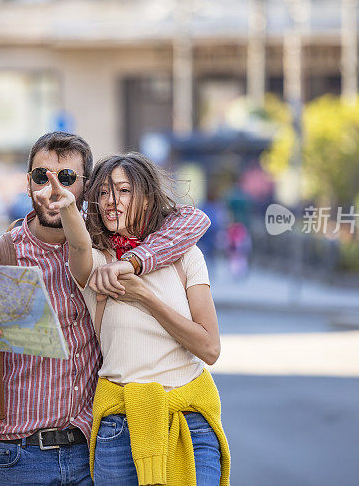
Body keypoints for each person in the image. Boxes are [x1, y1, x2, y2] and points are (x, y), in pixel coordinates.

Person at [0, 132, 211, 486]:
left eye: (67, 178)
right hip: (21, 457)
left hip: (92, 452)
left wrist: (132, 263)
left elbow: (191, 221)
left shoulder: (105, 250)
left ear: (85, 188)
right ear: (28, 184)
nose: (53, 189)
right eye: (42, 177)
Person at [41, 151, 230, 486]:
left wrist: (146, 297)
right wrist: (69, 205)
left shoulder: (186, 257)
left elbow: (210, 349)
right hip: (119, 426)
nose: (111, 201)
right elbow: (79, 248)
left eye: (124, 190)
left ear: (147, 196)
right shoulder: (99, 264)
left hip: (189, 421)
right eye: (102, 192)